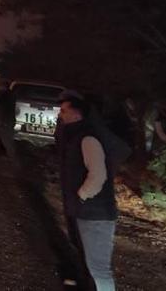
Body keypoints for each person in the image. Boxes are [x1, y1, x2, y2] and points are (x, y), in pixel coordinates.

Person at [57, 92, 117, 290]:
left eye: (64, 110)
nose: (60, 114)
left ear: (77, 115)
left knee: (99, 268)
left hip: (96, 214)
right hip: (84, 211)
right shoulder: (76, 136)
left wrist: (81, 196)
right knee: (88, 261)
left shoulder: (88, 139)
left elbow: (98, 175)